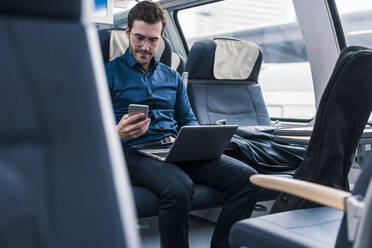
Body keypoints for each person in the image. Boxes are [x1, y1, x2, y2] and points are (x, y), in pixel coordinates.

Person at [104, 2, 259, 248]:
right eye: (139, 38)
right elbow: (88, 130)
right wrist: (115, 133)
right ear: (127, 33)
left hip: (174, 148)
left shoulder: (171, 76)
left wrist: (199, 141)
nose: (145, 47)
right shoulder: (106, 74)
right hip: (132, 151)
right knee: (179, 188)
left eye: (152, 40)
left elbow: (187, 118)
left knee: (248, 179)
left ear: (161, 38)